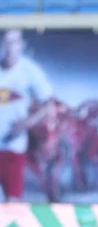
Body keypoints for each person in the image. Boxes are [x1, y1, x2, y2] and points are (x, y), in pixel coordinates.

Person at [0, 29, 54, 201]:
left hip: (12, 146)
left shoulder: (29, 70)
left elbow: (48, 104)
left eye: (14, 42)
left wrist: (26, 123)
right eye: (6, 42)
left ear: (21, 45)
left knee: (13, 201)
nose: (9, 48)